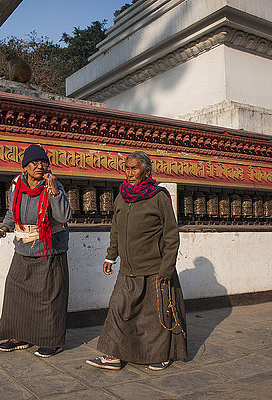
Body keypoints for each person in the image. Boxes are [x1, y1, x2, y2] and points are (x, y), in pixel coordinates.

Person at [86, 151, 187, 371]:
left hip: (154, 268)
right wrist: (110, 256)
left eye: (135, 168)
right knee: (118, 307)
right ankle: (113, 355)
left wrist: (166, 268)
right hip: (127, 269)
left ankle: (161, 355)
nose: (130, 173)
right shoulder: (122, 197)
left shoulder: (159, 197)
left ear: (146, 171)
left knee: (155, 316)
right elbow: (116, 229)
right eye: (127, 168)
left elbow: (171, 235)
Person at [0, 144, 72, 358]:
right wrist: (3, 229)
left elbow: (64, 217)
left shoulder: (54, 186)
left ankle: (52, 342)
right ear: (25, 166)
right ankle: (20, 336)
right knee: (16, 290)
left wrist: (54, 193)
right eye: (35, 162)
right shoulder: (17, 185)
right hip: (24, 247)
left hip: (49, 249)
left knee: (49, 297)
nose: (40, 165)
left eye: (43, 162)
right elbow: (12, 212)